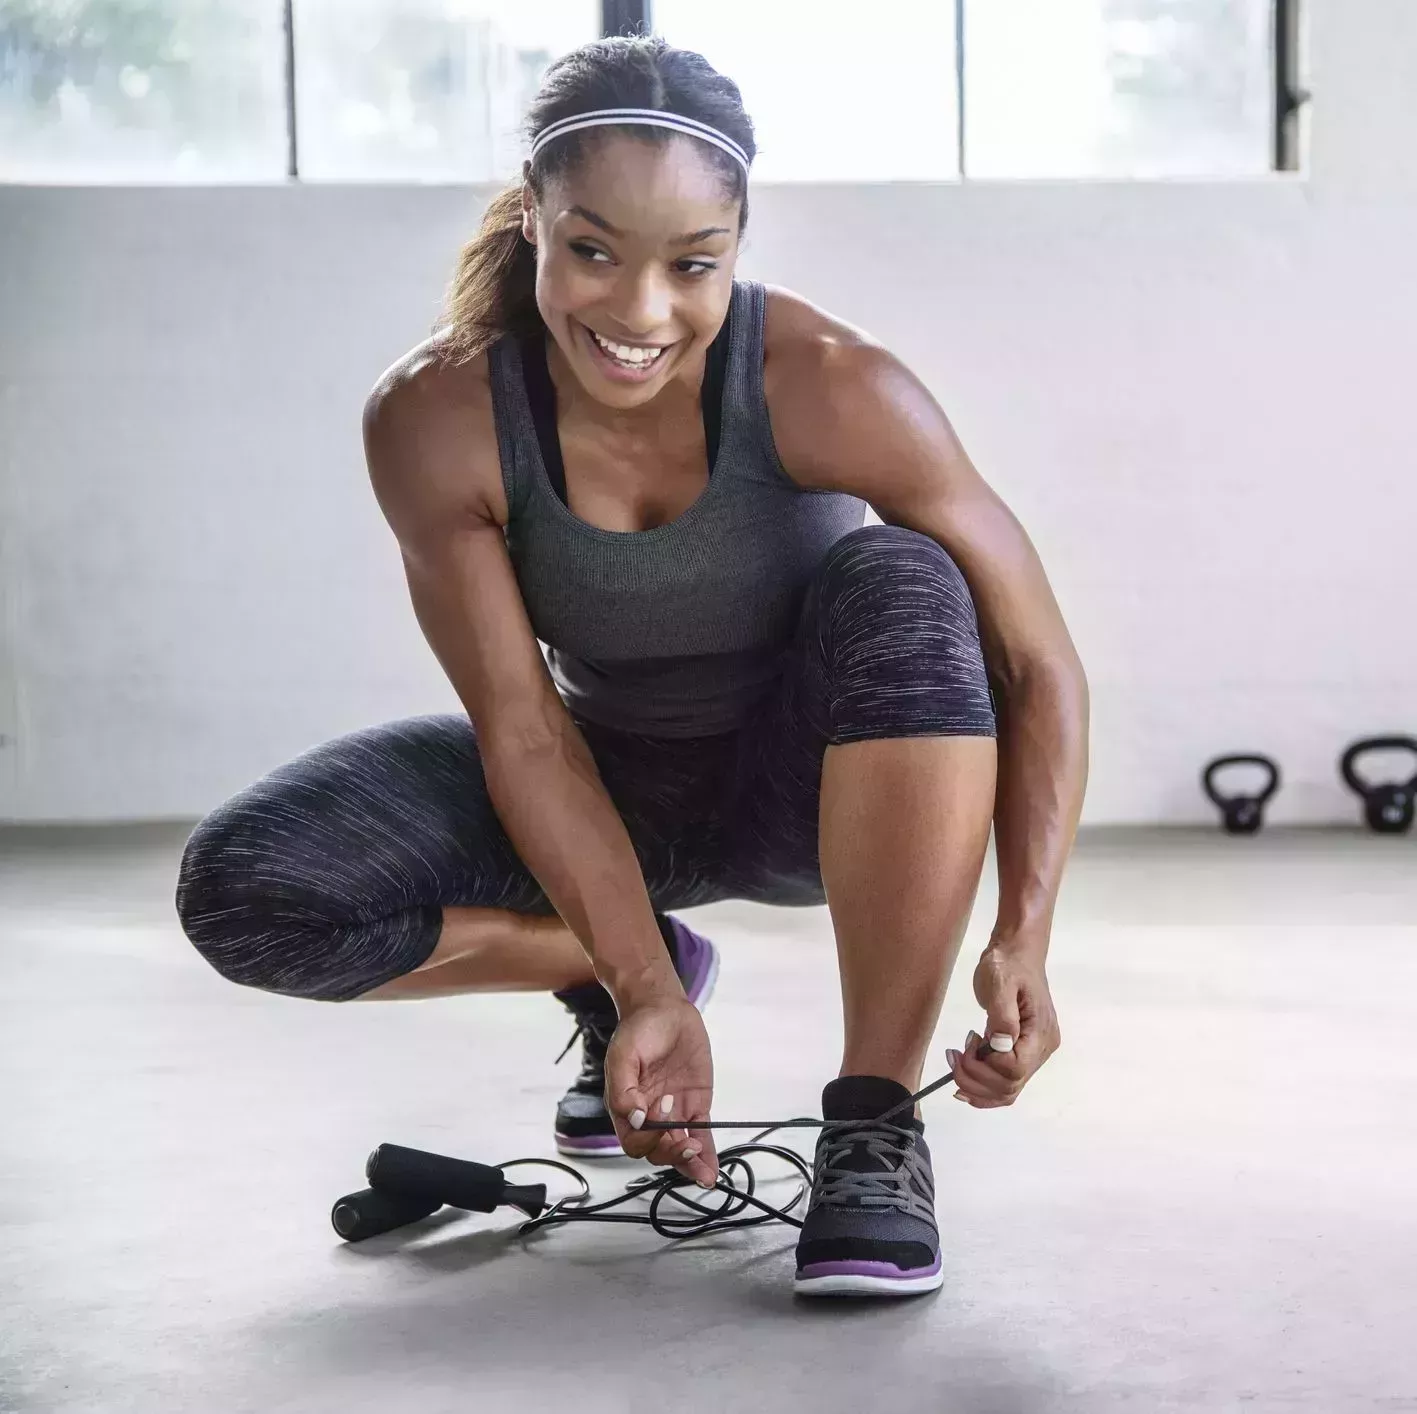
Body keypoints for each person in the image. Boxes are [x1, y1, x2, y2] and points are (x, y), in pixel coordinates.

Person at [175, 35, 1089, 1299]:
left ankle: (875, 1119)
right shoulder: (437, 417)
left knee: (904, 577)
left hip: (812, 795)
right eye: (593, 250)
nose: (639, 311)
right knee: (248, 888)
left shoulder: (835, 386)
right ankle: (601, 959)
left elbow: (1034, 663)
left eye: (692, 265)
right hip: (601, 787)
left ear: (738, 246)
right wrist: (641, 981)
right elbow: (522, 724)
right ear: (535, 219)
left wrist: (1025, 932)